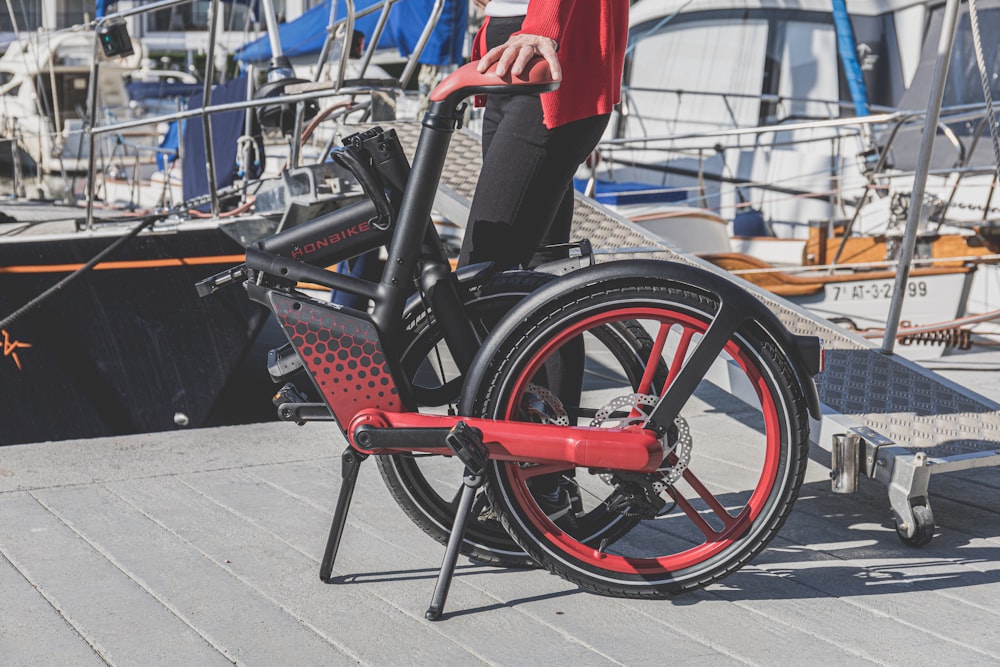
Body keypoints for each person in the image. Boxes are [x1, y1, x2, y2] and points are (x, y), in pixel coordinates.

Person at [459, 0, 629, 270]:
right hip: (511, 47)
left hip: (548, 53)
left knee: (483, 266)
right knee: (540, 266)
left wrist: (543, 26)